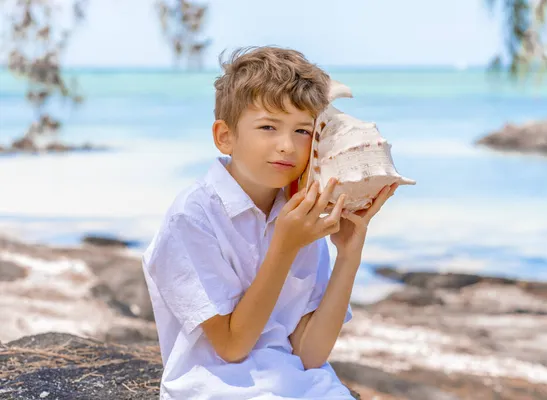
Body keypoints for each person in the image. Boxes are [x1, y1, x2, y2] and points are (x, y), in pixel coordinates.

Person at [142, 46, 399, 400]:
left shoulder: (298, 214)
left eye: (302, 131)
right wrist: (284, 245)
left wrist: (348, 254)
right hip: (217, 386)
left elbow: (309, 355)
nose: (287, 146)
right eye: (268, 126)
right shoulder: (192, 216)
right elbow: (232, 347)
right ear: (224, 136)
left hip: (297, 382)